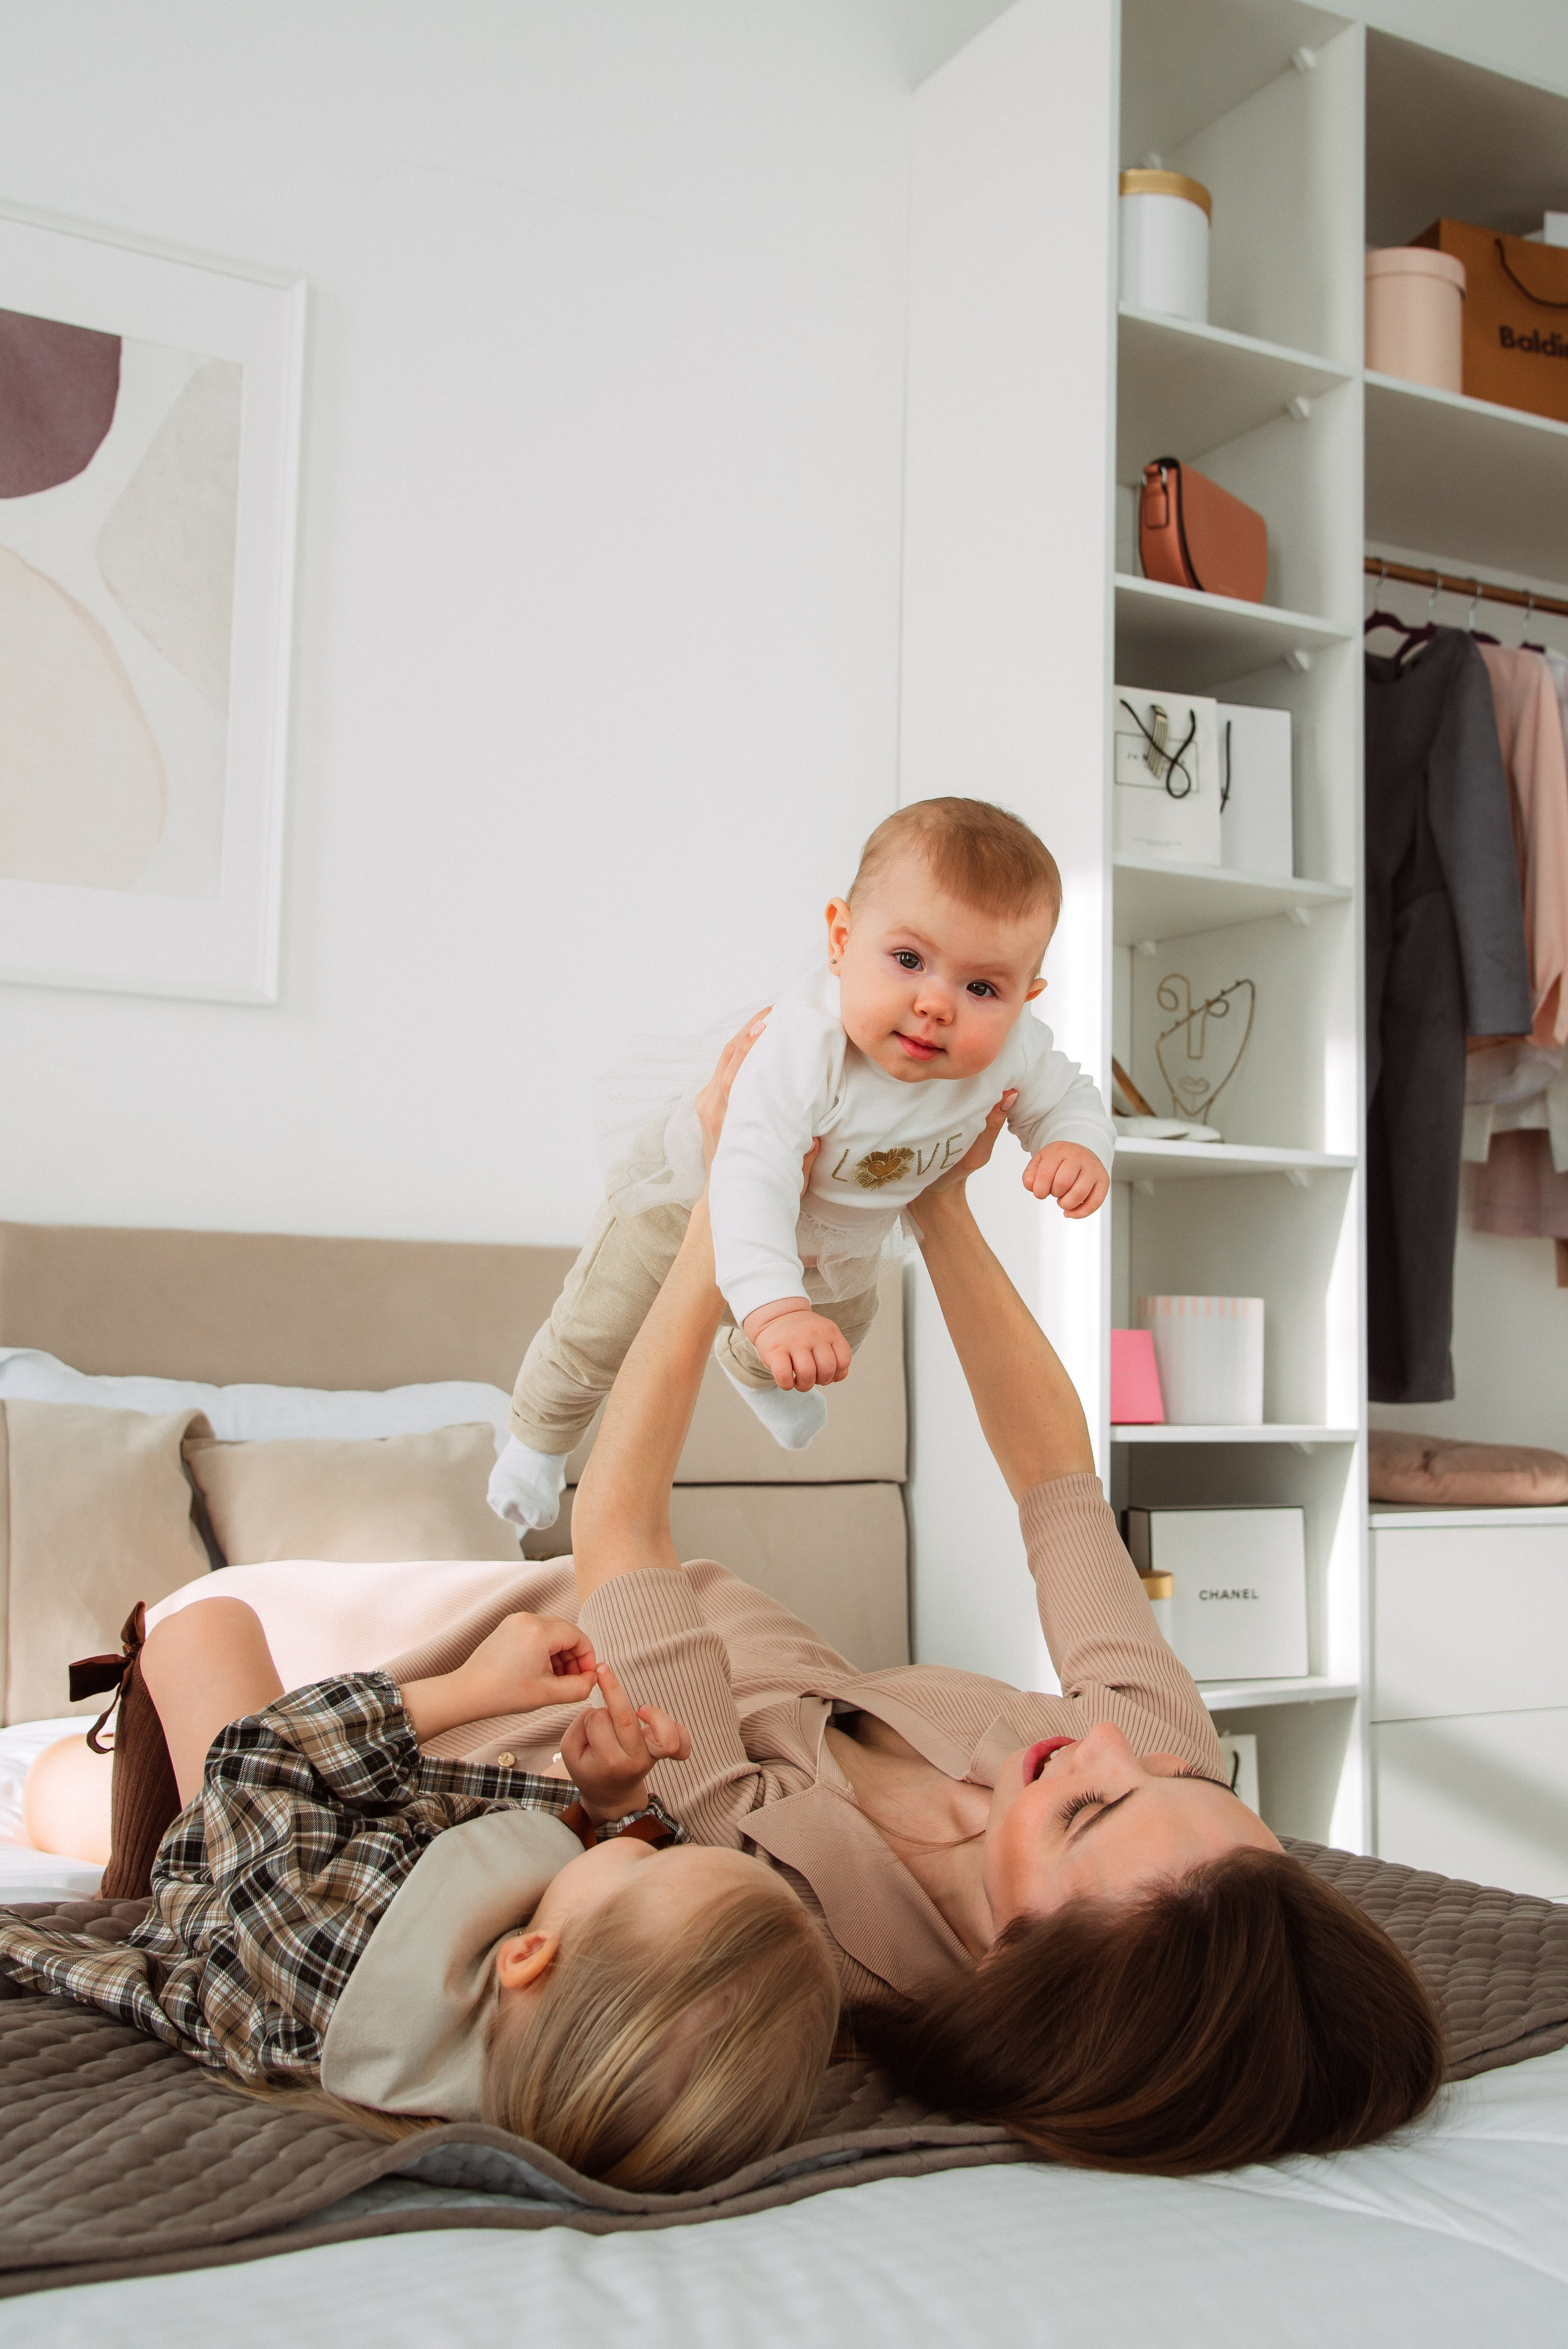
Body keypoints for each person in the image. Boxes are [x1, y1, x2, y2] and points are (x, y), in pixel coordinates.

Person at [396, 1023, 1443, 2174]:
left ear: (1017, 1964)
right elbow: (1057, 1483)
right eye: (1182, 1777)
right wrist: (943, 1199)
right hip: (689, 1603)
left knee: (230, 1646)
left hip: (507, 1670)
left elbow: (621, 1528)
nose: (1101, 1741)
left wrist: (722, 1203)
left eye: (1091, 1809)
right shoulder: (1158, 1780)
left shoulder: (771, 1911)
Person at [0, 1598, 838, 2192]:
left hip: (218, 1869)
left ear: (527, 1953)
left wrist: (468, 1690)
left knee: (210, 1627)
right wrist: (613, 1801)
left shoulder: (355, 1945)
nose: (653, 1838)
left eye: (647, 1858)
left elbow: (252, 1764)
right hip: (313, 1845)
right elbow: (627, 1933)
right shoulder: (544, 2047)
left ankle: (101, 1748)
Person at [490, 797, 1114, 1532]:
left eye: (982, 988)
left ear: (1025, 999)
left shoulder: (1016, 1047)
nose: (936, 1004)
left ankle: (756, 1368)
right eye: (908, 961)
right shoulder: (804, 1046)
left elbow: (1068, 1095)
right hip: (696, 1202)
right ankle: (536, 1439)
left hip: (839, 1233)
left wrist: (1073, 1145)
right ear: (842, 940)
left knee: (841, 1333)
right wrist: (777, 1307)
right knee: (600, 1330)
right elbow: (750, 1177)